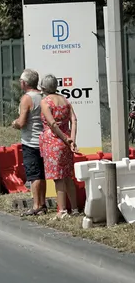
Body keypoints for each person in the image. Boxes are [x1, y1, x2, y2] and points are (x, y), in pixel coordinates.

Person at [39, 74, 80, 218]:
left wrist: (64, 138)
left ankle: (62, 211)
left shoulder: (45, 102)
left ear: (43, 88)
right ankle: (74, 208)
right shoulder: (65, 100)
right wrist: (71, 140)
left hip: (53, 141)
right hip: (66, 141)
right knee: (68, 176)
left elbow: (52, 124)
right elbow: (74, 120)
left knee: (58, 177)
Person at [12, 69, 46, 216]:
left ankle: (36, 205)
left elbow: (22, 121)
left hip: (31, 141)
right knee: (42, 174)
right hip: (44, 140)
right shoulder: (43, 95)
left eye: (21, 81)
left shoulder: (27, 98)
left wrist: (15, 123)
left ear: (25, 83)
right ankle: (42, 204)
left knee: (34, 175)